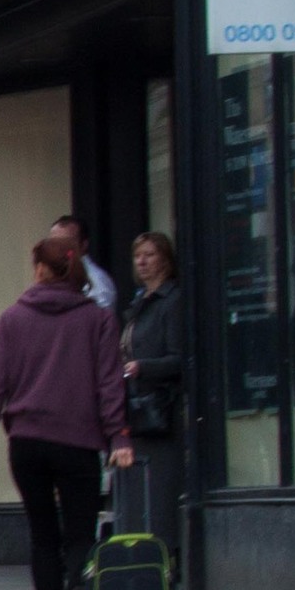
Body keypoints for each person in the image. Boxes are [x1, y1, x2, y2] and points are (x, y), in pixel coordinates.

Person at [0, 239, 132, 590]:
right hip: (78, 443)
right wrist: (118, 437)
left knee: (43, 535)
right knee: (80, 535)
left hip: (28, 443)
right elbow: (110, 384)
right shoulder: (98, 319)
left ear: (40, 269)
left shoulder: (12, 319)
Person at [121, 231, 185, 547]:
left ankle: (166, 548)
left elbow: (179, 357)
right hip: (138, 405)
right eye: (137, 256)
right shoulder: (140, 301)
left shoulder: (172, 301)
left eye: (149, 255)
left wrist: (143, 366)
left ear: (165, 259)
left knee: (161, 486)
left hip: (162, 407)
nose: (142, 262)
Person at [52, 215, 119, 310]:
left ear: (83, 245)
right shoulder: (50, 277)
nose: (59, 247)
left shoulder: (98, 282)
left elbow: (94, 317)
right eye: (53, 242)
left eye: (66, 242)